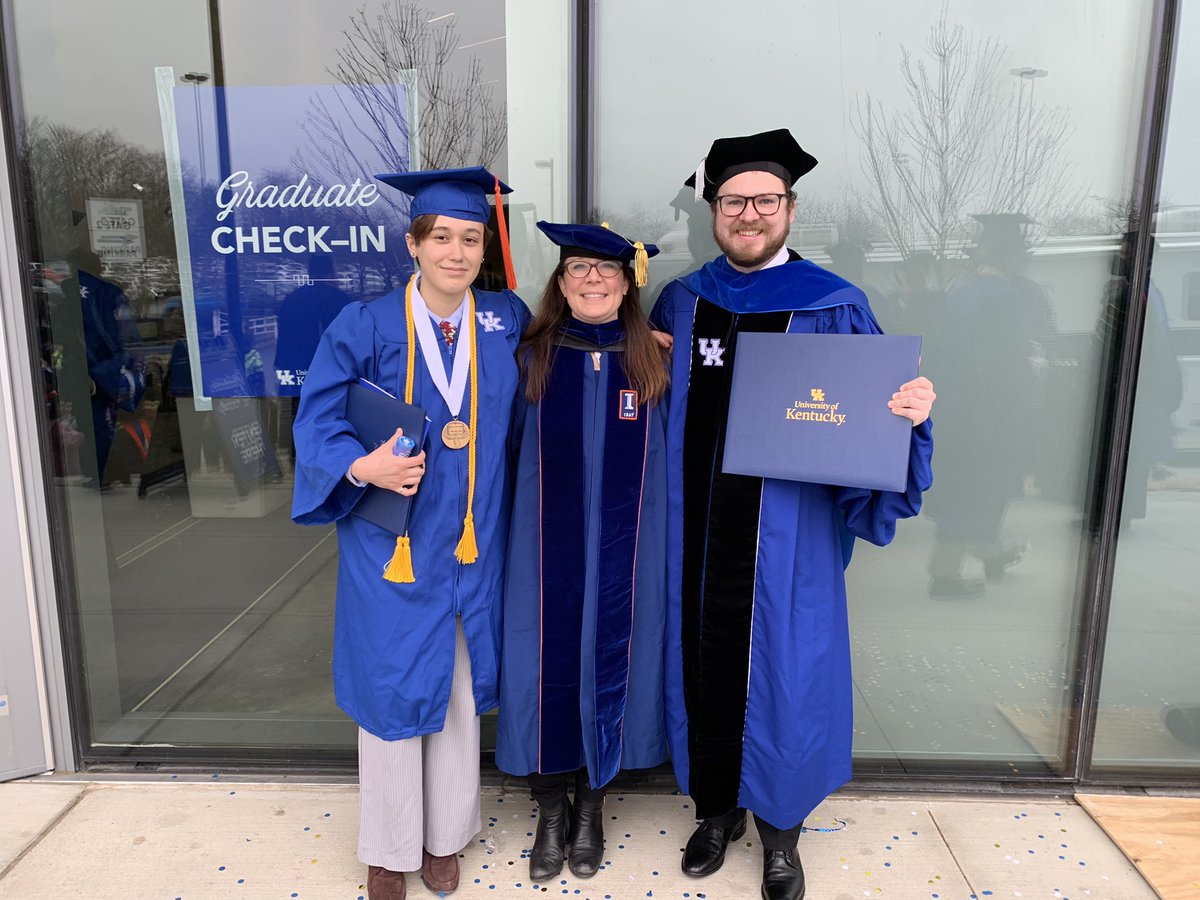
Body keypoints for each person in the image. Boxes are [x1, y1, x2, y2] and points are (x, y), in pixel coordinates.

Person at [649, 129, 936, 900]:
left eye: (764, 201)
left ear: (790, 208)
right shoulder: (682, 298)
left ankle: (781, 831)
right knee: (702, 662)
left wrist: (908, 415)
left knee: (786, 674)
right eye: (734, 201)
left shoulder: (834, 305)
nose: (749, 214)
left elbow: (872, 421)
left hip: (789, 540)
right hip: (696, 534)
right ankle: (715, 810)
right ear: (713, 210)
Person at [292, 166, 531, 900]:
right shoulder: (363, 325)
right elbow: (318, 421)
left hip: (473, 539)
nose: (456, 254)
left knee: (457, 691)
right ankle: (390, 848)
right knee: (392, 689)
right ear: (414, 243)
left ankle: (445, 838)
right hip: (390, 544)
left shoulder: (504, 318)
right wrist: (359, 466)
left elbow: (567, 360)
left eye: (469, 239)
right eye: (442, 239)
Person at [496, 221, 670, 882]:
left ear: (627, 284)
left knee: (611, 657)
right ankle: (549, 810)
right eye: (578, 269)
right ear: (560, 282)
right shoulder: (529, 356)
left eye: (606, 270)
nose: (592, 279)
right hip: (541, 553)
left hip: (629, 551)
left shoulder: (654, 361)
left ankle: (591, 806)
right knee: (544, 662)